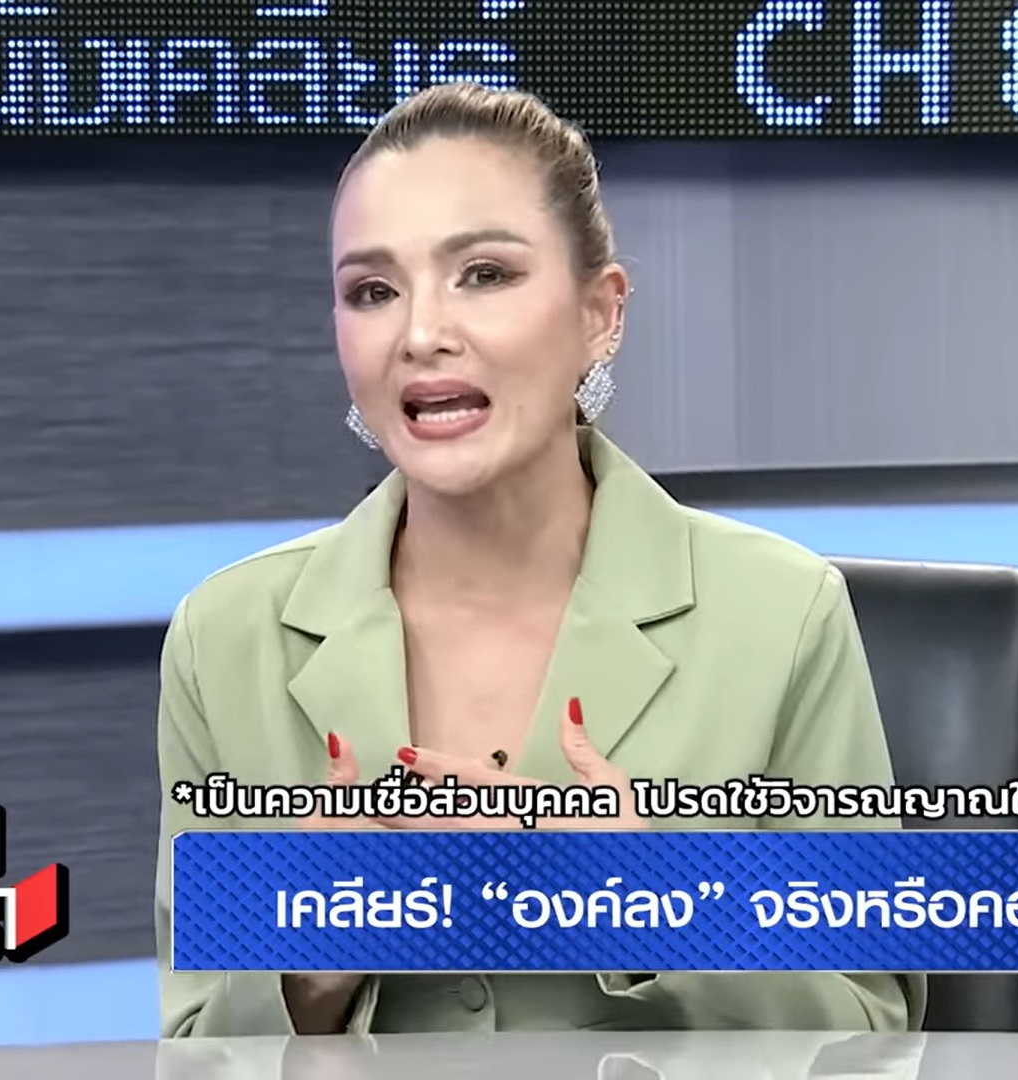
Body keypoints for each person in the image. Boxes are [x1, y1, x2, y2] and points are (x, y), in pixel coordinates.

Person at [155, 81, 925, 1036]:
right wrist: (305, 965)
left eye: (484, 274)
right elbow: (191, 1047)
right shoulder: (226, 641)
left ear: (600, 313)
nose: (421, 334)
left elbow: (870, 1033)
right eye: (372, 291)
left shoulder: (781, 615)